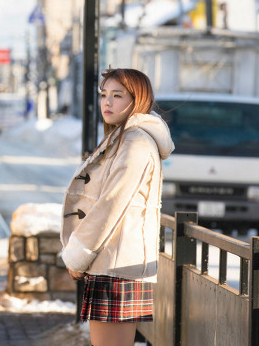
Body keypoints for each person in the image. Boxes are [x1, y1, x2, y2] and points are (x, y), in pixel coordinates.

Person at [60, 68, 174, 346]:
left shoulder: (135, 143)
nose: (107, 102)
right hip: (112, 262)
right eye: (104, 95)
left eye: (117, 95)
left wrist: (77, 256)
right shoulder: (124, 138)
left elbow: (110, 206)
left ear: (137, 100)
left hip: (117, 267)